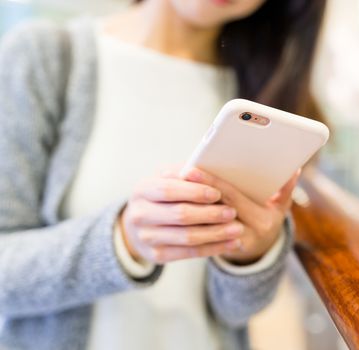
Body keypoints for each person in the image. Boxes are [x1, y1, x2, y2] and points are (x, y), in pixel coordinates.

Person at [0, 0, 327, 349]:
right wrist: (123, 240)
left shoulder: (264, 93)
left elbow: (236, 314)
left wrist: (250, 257)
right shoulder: (45, 57)